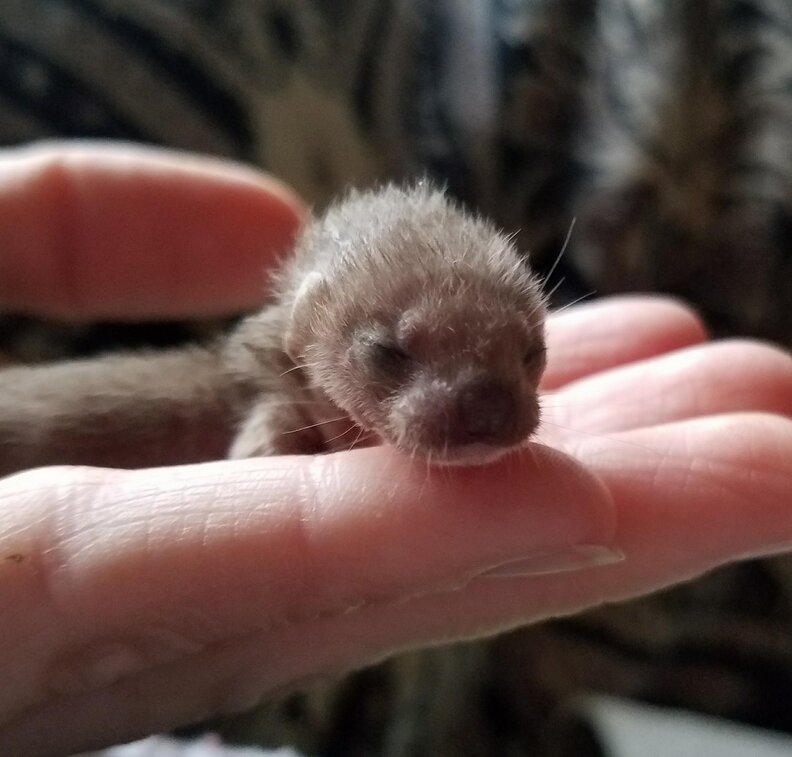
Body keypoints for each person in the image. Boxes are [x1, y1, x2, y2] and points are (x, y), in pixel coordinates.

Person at [0, 142, 790, 756]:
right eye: (391, 358)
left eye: (524, 359)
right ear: (309, 329)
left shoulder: (324, 376)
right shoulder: (273, 405)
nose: (487, 407)